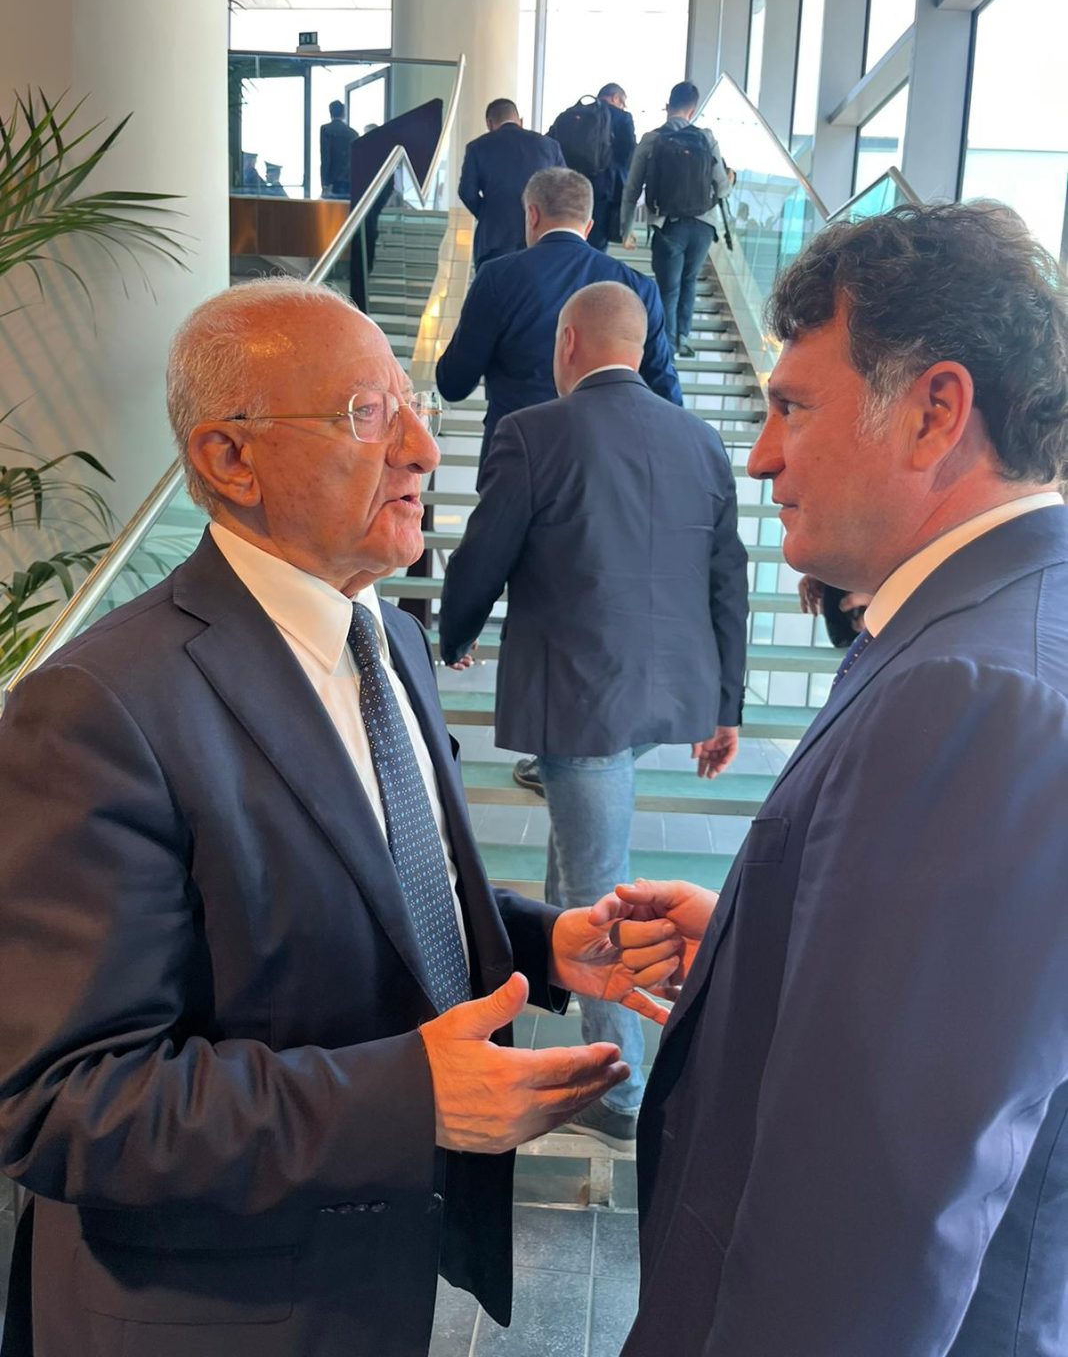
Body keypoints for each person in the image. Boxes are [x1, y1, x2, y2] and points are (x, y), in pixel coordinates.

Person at [0, 279, 683, 1357]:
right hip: (213, 1319)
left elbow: (388, 884)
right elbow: (66, 1099)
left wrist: (542, 941)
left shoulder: (391, 638)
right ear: (232, 458)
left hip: (372, 1279)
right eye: (368, 414)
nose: (422, 447)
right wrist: (408, 1097)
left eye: (413, 407)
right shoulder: (99, 707)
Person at [596, 201, 1068, 1356]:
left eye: (793, 406)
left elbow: (867, 1228)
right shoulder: (1005, 623)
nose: (762, 453)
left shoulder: (973, 691)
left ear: (935, 411)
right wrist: (764, 939)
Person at [438, 281, 748, 1148]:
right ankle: (549, 963)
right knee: (580, 842)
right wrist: (724, 703)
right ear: (640, 346)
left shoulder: (533, 432)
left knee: (597, 880)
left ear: (567, 342)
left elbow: (485, 552)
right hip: (671, 691)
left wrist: (453, 633)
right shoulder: (700, 440)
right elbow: (728, 576)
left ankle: (622, 1086)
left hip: (581, 700)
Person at [436, 167, 682, 478]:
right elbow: (664, 390)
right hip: (608, 466)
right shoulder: (638, 287)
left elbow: (454, 382)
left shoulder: (497, 277)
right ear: (589, 226)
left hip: (516, 460)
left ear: (532, 215)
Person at [621, 80, 732, 357]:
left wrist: (626, 228)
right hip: (703, 225)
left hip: (668, 224)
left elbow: (632, 189)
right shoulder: (706, 138)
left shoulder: (651, 139)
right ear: (692, 110)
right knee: (689, 280)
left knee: (668, 289)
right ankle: (683, 336)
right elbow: (722, 188)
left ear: (667, 106)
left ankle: (667, 350)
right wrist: (731, 179)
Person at [457, 97, 566, 269]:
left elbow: (466, 192)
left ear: (489, 123)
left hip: (494, 238)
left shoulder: (477, 147)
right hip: (539, 236)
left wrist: (487, 213)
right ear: (520, 121)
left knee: (494, 284)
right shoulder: (549, 146)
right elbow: (563, 189)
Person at [589, 83, 636, 251]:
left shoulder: (575, 114)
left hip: (571, 188)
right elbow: (629, 153)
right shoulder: (622, 117)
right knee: (597, 247)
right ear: (615, 98)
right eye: (622, 103)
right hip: (604, 190)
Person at [320, 98, 358, 198]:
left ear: (330, 113)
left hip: (332, 181)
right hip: (349, 180)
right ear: (343, 114)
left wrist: (324, 183)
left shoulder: (326, 129)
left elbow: (325, 157)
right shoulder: (353, 133)